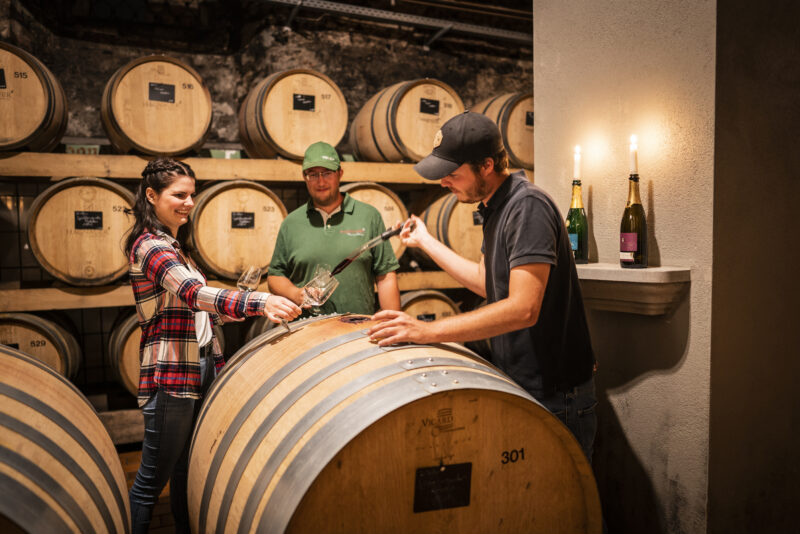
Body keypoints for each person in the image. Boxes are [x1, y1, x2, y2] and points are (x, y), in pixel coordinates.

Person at [368, 112, 598, 462]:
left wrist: (426, 331)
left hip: (555, 394)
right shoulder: (496, 207)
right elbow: (486, 282)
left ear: (487, 166)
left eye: (452, 174)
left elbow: (523, 308)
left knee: (566, 511)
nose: (444, 183)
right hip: (524, 384)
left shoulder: (527, 206)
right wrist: (426, 242)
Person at [124, 158, 301, 533]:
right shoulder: (149, 247)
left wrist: (237, 311)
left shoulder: (176, 247)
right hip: (171, 374)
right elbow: (191, 293)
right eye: (179, 195)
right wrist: (258, 301)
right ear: (152, 196)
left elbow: (198, 313)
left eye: (192, 194)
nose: (188, 202)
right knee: (150, 482)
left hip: (201, 364)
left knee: (188, 468)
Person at [268, 141, 401, 316]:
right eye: (313, 174)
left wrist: (393, 324)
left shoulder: (369, 216)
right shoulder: (291, 223)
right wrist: (297, 294)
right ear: (304, 177)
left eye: (327, 173)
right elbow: (275, 276)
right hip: (305, 330)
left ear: (340, 173)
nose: (320, 181)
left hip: (357, 328)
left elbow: (385, 276)